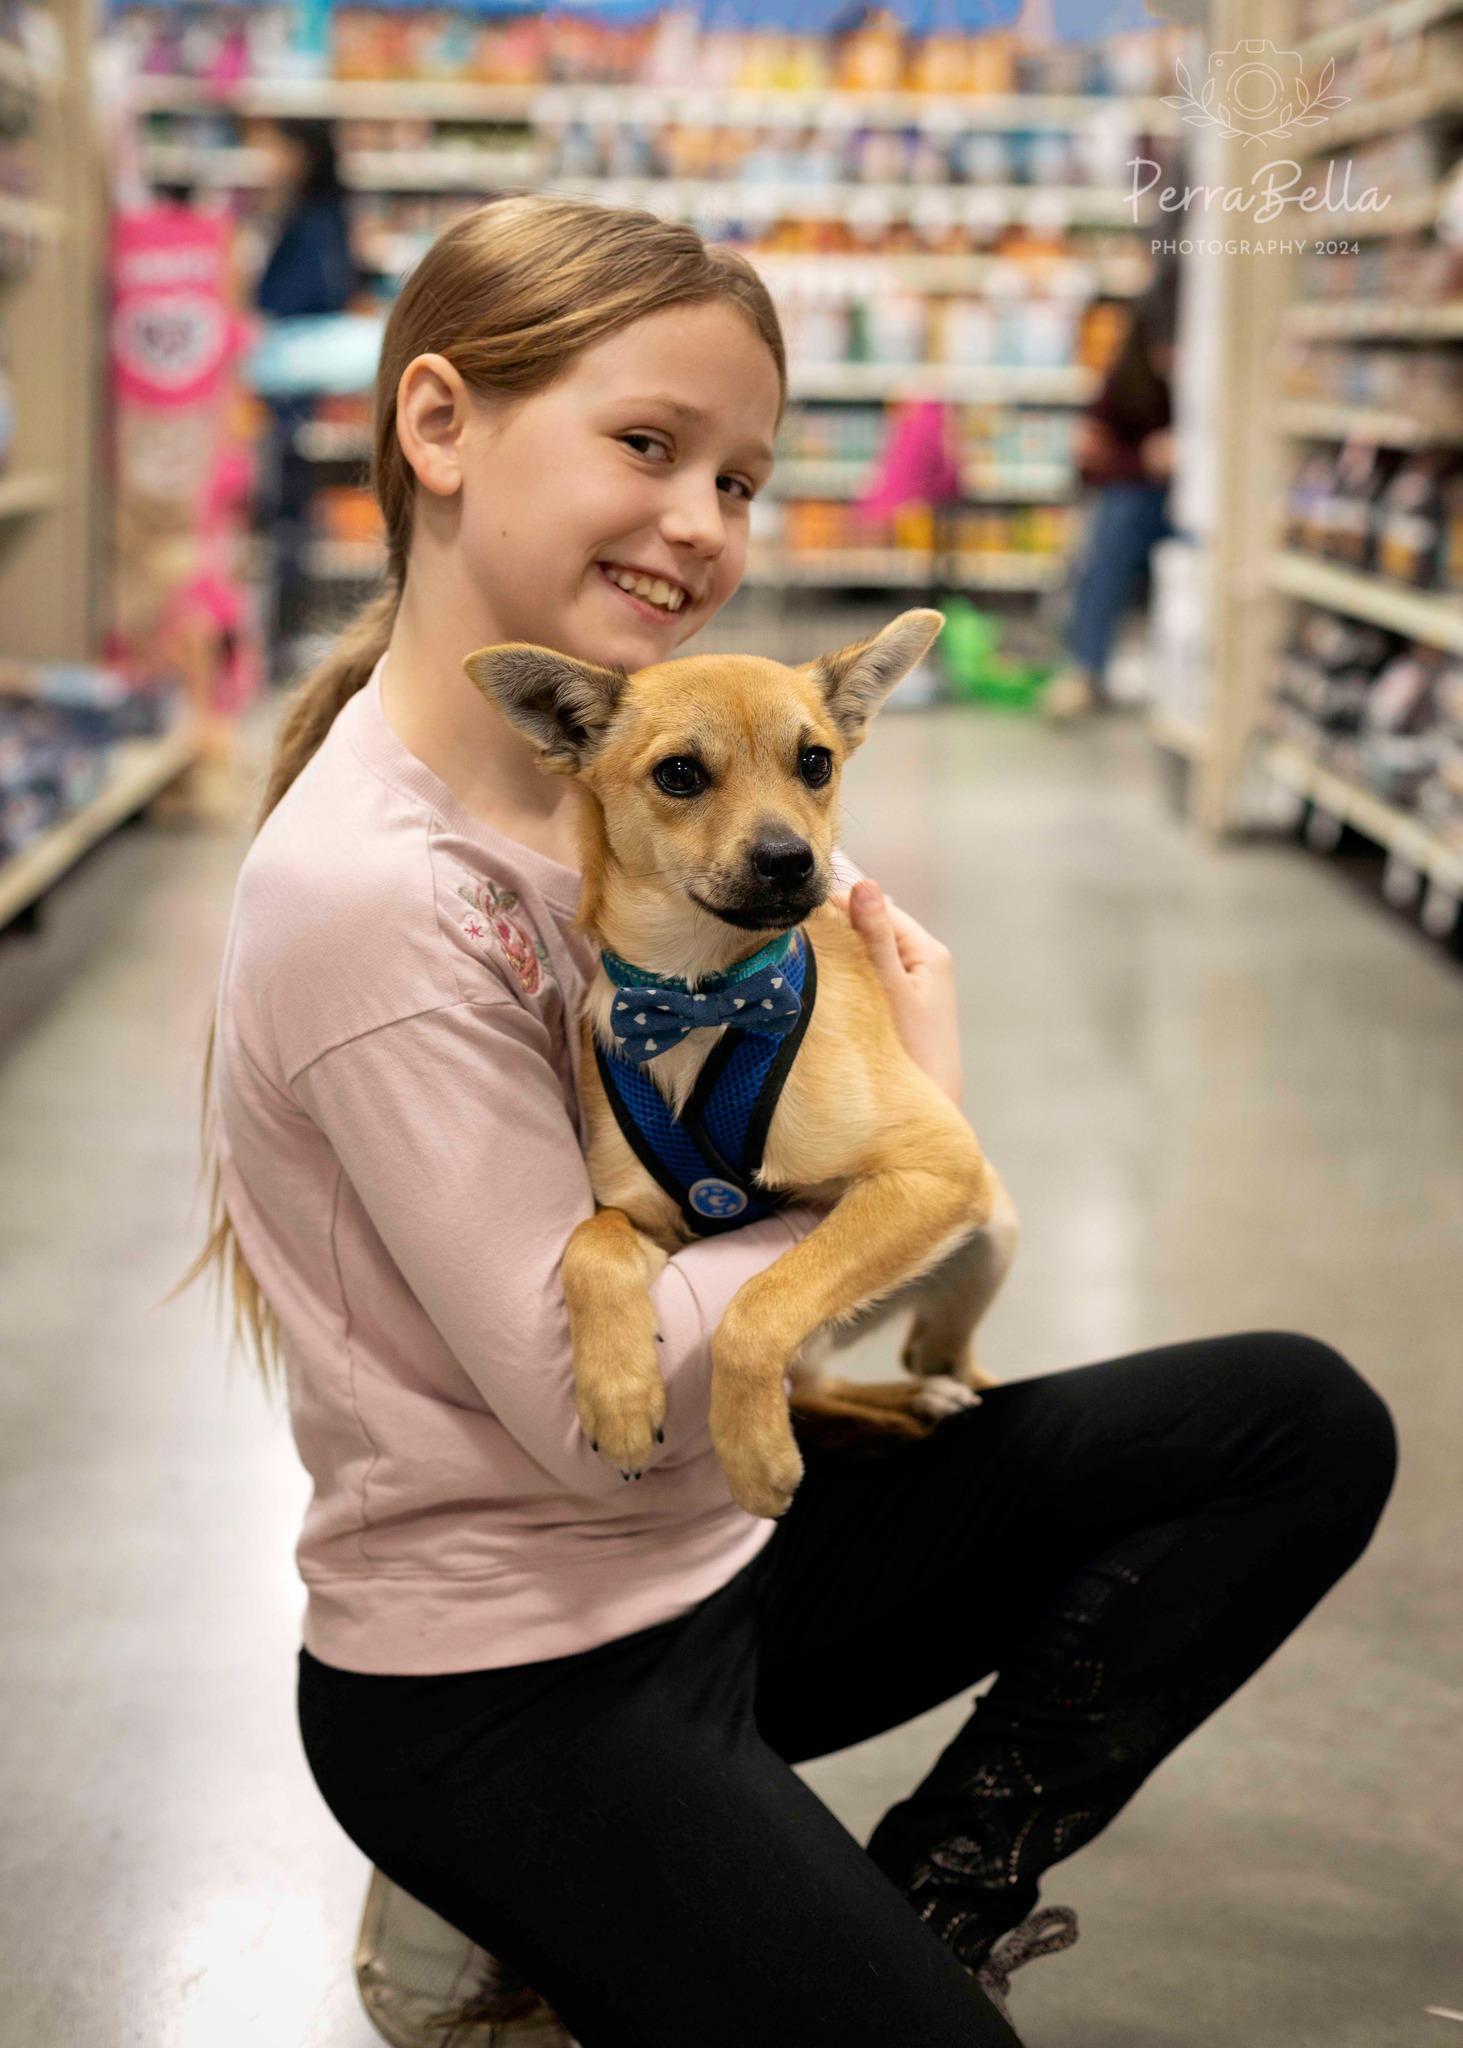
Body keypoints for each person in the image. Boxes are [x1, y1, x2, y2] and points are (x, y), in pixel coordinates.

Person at [185, 196, 1396, 2047]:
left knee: (1293, 1422)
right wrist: (913, 1115)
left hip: (729, 1539)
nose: (701, 525)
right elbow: (594, 1413)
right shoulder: (372, 898)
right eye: (648, 445)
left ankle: (925, 1897)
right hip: (516, 1666)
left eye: (740, 478)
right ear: (438, 427)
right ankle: (510, 1919)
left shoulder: (639, 789)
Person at [250, 117, 363, 673]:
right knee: (293, 510)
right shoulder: (320, 213)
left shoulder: (313, 218)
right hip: (296, 379)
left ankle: (282, 639)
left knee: (289, 511)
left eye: (278, 146)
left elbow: (304, 292)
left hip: (288, 379)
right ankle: (281, 634)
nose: (269, 159)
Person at [1041, 271, 1179, 723]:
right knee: (1113, 530)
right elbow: (1090, 456)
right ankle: (1083, 668)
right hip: (1143, 500)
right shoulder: (1127, 379)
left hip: (1196, 505)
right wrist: (1144, 459)